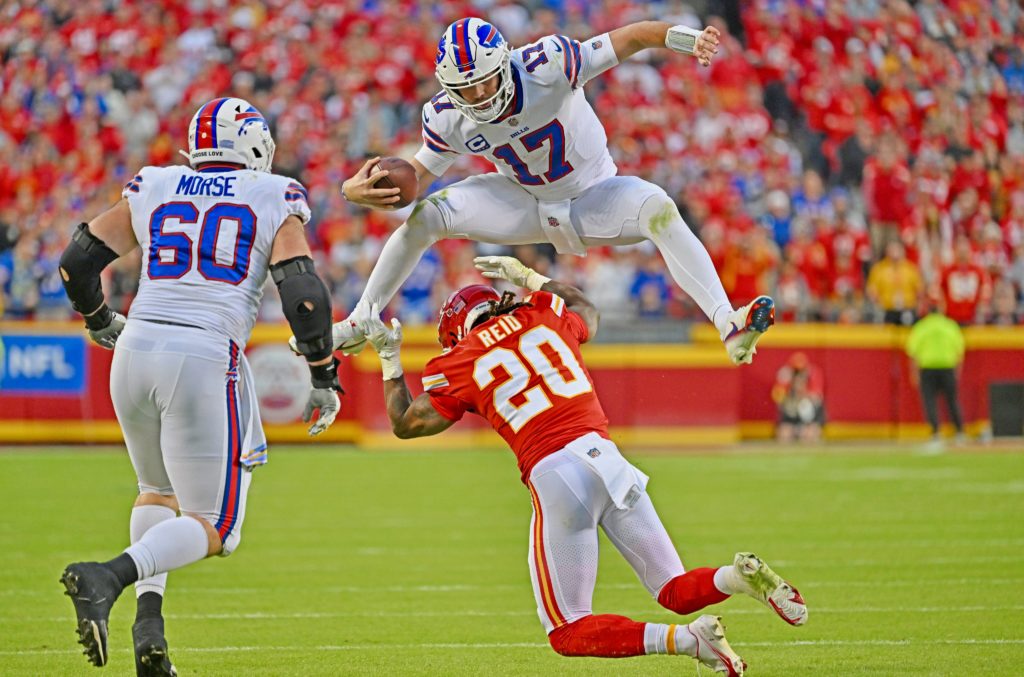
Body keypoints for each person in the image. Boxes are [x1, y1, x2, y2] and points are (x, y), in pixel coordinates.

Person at [359, 255, 807, 676]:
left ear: (459, 330)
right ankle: (737, 577)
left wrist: (389, 359)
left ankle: (689, 641)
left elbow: (406, 423)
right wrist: (531, 278)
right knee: (673, 589)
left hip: (555, 472)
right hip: (607, 459)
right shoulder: (544, 314)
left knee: (568, 629)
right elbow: (587, 310)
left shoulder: (458, 359)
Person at [57, 97, 342, 675]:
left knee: (156, 494)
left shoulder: (157, 183)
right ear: (256, 147)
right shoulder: (273, 193)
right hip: (204, 353)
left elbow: (76, 262)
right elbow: (303, 296)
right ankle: (107, 577)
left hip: (135, 350)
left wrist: (98, 318)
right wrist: (322, 373)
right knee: (219, 529)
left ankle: (149, 629)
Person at [331, 17, 774, 366]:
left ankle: (727, 322)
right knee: (429, 214)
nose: (479, 94)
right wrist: (352, 191)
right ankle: (361, 316)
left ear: (505, 63)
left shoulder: (549, 64)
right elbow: (415, 178)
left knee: (657, 207)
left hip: (593, 195)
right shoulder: (448, 116)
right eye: (466, 88)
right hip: (522, 201)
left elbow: (635, 36)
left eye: (485, 80)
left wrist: (688, 39)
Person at [906, 302, 967, 443]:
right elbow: (960, 351)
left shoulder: (921, 327)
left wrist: (914, 373)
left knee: (930, 401)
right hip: (947, 366)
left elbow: (913, 353)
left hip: (928, 368)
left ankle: (935, 432)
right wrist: (957, 371)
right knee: (952, 401)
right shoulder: (950, 326)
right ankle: (959, 431)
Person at [771, 352, 825, 442]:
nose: (798, 376)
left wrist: (803, 394)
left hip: (810, 420)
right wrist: (790, 395)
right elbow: (778, 397)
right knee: (784, 433)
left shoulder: (813, 377)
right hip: (791, 419)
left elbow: (817, 401)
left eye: (801, 373)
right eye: (796, 373)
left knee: (810, 433)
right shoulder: (785, 378)